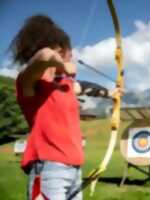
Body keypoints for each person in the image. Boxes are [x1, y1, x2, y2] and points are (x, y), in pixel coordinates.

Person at [10, 14, 121, 200]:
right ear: (60, 50)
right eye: (70, 52)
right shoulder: (29, 83)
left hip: (74, 170)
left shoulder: (65, 85)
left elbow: (85, 87)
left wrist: (111, 93)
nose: (72, 56)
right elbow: (44, 56)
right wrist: (63, 65)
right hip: (49, 170)